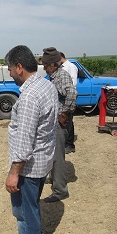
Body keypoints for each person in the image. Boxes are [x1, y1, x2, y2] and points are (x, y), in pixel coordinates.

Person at [5, 45, 58, 234]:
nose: (9, 74)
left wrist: (14, 173)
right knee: (33, 206)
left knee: (24, 213)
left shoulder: (28, 98)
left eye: (9, 69)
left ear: (19, 67)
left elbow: (25, 140)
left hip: (28, 167)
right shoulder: (46, 86)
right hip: (43, 160)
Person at [41, 47, 77, 203]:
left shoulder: (61, 76)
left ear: (54, 65)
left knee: (57, 157)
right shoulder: (54, 76)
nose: (44, 68)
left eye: (46, 65)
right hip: (54, 121)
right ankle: (55, 179)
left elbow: (72, 93)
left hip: (59, 123)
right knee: (52, 154)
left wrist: (65, 113)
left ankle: (60, 190)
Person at [60, 51, 78, 154]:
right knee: (67, 121)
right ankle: (66, 143)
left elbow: (73, 83)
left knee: (68, 121)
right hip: (65, 97)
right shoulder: (63, 67)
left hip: (69, 97)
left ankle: (70, 145)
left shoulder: (70, 66)